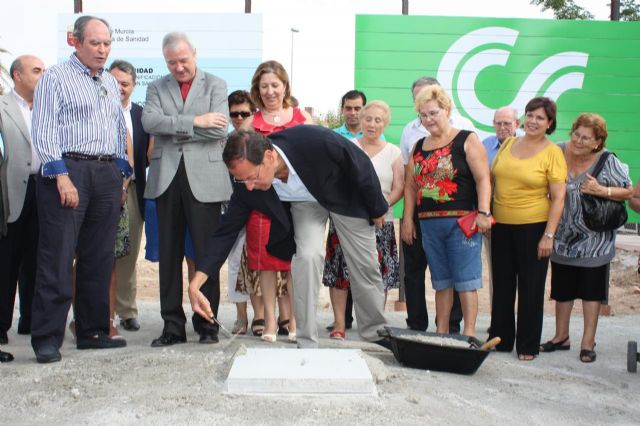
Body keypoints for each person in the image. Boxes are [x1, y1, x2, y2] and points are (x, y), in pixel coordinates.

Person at [188, 126, 390, 350]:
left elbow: (359, 163)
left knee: (364, 263)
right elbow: (225, 232)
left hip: (343, 196)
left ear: (269, 157)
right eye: (241, 180)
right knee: (307, 257)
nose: (248, 186)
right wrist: (196, 283)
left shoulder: (313, 141)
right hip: (304, 204)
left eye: (252, 177)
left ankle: (376, 333)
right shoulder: (247, 184)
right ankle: (306, 339)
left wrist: (377, 206)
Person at [30, 16, 131, 363]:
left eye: (107, 44)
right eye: (95, 43)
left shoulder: (109, 82)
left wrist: (121, 172)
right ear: (75, 42)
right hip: (68, 171)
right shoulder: (55, 79)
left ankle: (91, 331)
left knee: (98, 257)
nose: (102, 50)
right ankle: (46, 337)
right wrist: (60, 175)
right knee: (58, 257)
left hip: (105, 174)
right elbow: (43, 129)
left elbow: (118, 128)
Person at [142, 32, 232, 347]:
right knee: (169, 255)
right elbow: (150, 122)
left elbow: (220, 129)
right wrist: (197, 121)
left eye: (183, 60)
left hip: (205, 181)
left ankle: (207, 324)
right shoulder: (155, 87)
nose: (178, 67)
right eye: (171, 62)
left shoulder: (216, 84)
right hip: (166, 179)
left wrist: (175, 127)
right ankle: (172, 326)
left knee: (207, 255)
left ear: (194, 53)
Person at [540, 113, 632, 363]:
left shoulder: (607, 160)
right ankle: (561, 336)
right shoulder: (557, 151)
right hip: (562, 236)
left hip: (596, 240)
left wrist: (602, 190)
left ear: (597, 142)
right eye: (576, 134)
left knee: (592, 293)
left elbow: (628, 192)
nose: (579, 141)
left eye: (586, 138)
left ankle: (587, 342)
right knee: (562, 288)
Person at [401, 85, 491, 337]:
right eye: (423, 115)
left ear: (446, 109)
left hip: (462, 222)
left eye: (433, 112)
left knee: (466, 281)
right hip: (428, 223)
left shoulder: (467, 138)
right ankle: (441, 333)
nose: (428, 119)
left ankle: (469, 334)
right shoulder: (418, 146)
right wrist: (408, 219)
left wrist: (483, 212)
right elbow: (410, 186)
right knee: (441, 281)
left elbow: (483, 178)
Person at [488, 97, 567, 361]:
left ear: (550, 124)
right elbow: (492, 179)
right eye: (530, 115)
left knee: (531, 287)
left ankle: (527, 344)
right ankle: (500, 338)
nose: (533, 121)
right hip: (501, 226)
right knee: (501, 284)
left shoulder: (553, 152)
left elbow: (558, 198)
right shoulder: (509, 143)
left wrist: (548, 235)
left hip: (534, 228)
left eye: (540, 118)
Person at [239, 60, 312, 342]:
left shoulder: (302, 117)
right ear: (257, 89)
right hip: (262, 203)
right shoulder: (250, 123)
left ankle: (293, 320)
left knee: (294, 260)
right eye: (264, 86)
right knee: (265, 263)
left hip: (297, 203)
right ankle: (269, 320)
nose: (270, 91)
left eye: (275, 85)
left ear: (285, 86)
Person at [323, 100, 402, 340]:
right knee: (340, 273)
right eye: (368, 119)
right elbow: (335, 182)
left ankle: (375, 323)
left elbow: (399, 186)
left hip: (380, 222)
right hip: (346, 220)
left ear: (385, 123)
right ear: (361, 120)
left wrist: (380, 208)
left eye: (378, 120)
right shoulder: (348, 146)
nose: (372, 124)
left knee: (378, 275)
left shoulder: (394, 152)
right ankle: (339, 324)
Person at [0, 55, 45, 347]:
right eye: (37, 70)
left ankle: (30, 321)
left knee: (37, 261)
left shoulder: (47, 108)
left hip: (43, 192)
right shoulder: (2, 107)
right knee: (6, 263)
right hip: (10, 193)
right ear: (17, 75)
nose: (43, 75)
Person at [110, 60, 151, 332]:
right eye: (114, 82)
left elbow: (149, 154)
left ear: (134, 86)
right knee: (97, 252)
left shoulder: (142, 115)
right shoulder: (95, 111)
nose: (120, 88)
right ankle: (100, 312)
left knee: (128, 252)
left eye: (125, 84)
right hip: (101, 191)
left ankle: (126, 311)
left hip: (134, 191)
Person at [481, 107, 521, 313]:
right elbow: (479, 181)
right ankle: (500, 317)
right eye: (499, 123)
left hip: (523, 219)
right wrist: (484, 214)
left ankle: (520, 318)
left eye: (508, 123)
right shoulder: (485, 146)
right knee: (497, 272)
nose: (503, 128)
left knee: (522, 273)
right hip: (492, 218)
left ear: (518, 124)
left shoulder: (526, 146)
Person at [225, 89, 256, 335]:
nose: (238, 118)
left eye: (244, 113)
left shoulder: (259, 141)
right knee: (235, 262)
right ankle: (241, 316)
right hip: (231, 207)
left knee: (261, 263)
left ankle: (264, 316)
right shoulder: (224, 141)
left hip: (259, 207)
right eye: (234, 113)